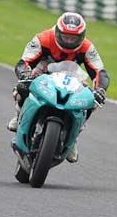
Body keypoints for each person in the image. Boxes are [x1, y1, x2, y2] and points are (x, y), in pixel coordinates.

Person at [7, 12, 110, 163]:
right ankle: (19, 116)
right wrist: (25, 74)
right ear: (57, 32)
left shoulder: (87, 47)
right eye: (65, 36)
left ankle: (73, 136)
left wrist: (100, 89)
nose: (69, 41)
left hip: (71, 78)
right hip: (42, 73)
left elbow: (100, 71)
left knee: (91, 100)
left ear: (82, 37)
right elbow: (24, 61)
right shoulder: (43, 38)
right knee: (22, 87)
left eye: (73, 38)